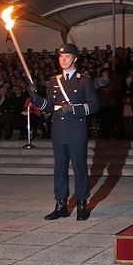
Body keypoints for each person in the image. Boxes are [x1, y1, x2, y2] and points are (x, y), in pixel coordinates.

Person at [28, 44, 99, 221]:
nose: (63, 60)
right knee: (59, 169)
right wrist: (36, 97)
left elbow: (94, 105)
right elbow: (49, 106)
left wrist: (73, 110)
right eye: (61, 57)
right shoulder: (54, 81)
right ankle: (61, 204)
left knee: (79, 168)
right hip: (59, 131)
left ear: (75, 59)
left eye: (67, 56)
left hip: (76, 130)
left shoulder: (84, 81)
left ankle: (82, 204)